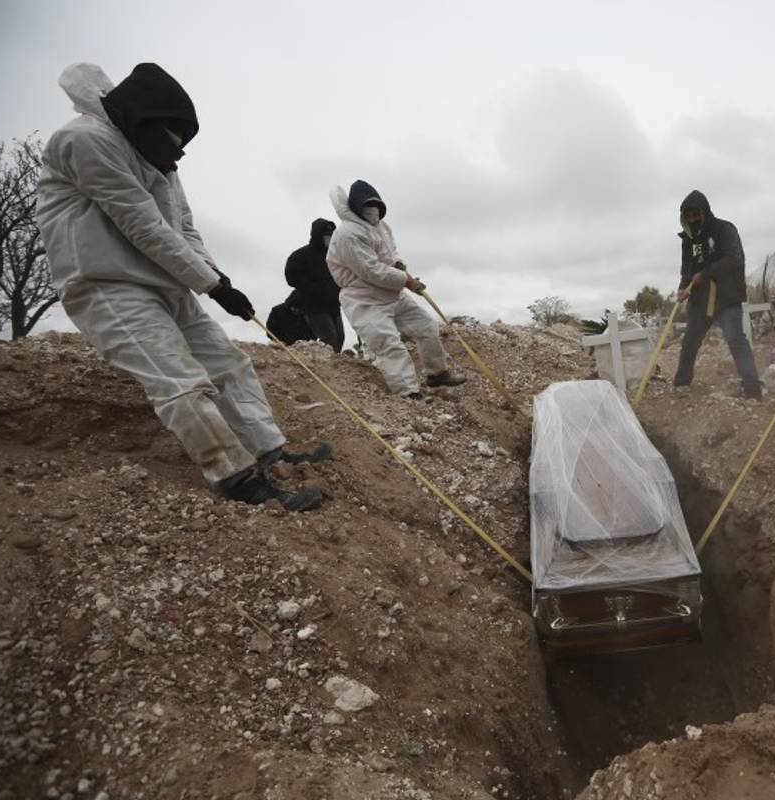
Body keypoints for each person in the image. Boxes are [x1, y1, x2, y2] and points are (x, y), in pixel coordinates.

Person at [35, 62, 329, 510]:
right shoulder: (85, 139)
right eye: (173, 140)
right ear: (144, 121)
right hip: (106, 284)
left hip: (168, 281)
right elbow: (141, 223)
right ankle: (237, 478)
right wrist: (210, 285)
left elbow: (183, 228)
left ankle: (270, 452)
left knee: (229, 364)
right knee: (180, 380)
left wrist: (218, 279)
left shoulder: (162, 161)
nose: (179, 153)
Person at [326, 180, 465, 398]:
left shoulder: (381, 226)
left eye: (376, 205)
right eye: (368, 206)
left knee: (427, 326)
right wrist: (406, 280)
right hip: (365, 300)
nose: (373, 210)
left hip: (392, 294)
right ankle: (408, 394)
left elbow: (391, 252)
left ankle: (437, 374)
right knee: (389, 345)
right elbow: (371, 271)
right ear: (356, 207)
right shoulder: (348, 234)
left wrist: (399, 264)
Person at [673, 190, 762, 399]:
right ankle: (681, 384)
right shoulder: (688, 239)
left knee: (735, 339)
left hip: (726, 297)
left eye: (696, 214)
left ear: (704, 212)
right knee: (690, 341)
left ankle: (752, 389)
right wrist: (683, 287)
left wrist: (705, 274)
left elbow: (734, 259)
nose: (693, 219)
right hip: (700, 300)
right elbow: (687, 268)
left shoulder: (724, 229)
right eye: (688, 216)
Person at [284, 218, 344, 351]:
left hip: (334, 305)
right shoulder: (300, 255)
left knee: (340, 337)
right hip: (314, 305)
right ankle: (326, 363)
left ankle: (334, 363)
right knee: (330, 338)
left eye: (332, 236)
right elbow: (292, 277)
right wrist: (316, 289)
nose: (330, 239)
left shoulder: (335, 257)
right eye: (327, 236)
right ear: (318, 235)